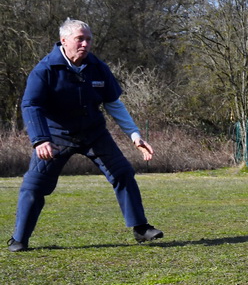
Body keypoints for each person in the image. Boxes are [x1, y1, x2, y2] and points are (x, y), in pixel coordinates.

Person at [7, 19, 164, 252]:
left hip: (94, 134)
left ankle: (141, 229)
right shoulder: (45, 69)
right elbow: (31, 105)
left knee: (123, 173)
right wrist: (40, 140)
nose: (85, 44)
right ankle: (19, 239)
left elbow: (113, 103)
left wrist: (134, 135)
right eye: (80, 39)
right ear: (64, 40)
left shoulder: (97, 67)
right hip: (56, 136)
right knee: (34, 185)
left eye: (88, 39)